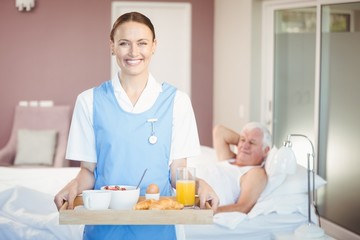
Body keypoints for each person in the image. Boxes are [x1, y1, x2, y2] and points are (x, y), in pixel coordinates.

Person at [54, 12, 219, 240]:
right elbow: (88, 171)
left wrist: (200, 185)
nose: (133, 52)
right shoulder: (89, 101)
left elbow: (176, 173)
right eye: (124, 43)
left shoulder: (177, 102)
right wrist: (72, 186)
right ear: (112, 46)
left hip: (159, 226)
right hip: (105, 225)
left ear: (154, 46)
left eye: (142, 43)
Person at [211, 122, 272, 214]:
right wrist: (243, 142)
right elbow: (219, 131)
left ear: (265, 150)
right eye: (242, 140)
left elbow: (242, 207)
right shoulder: (229, 159)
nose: (245, 146)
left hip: (195, 204)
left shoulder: (255, 172)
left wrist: (206, 213)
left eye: (252, 143)